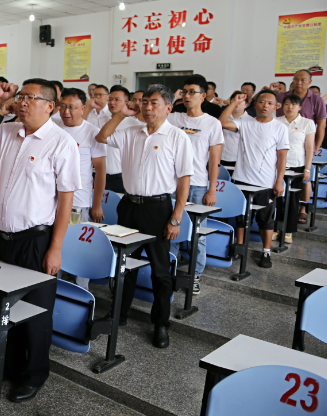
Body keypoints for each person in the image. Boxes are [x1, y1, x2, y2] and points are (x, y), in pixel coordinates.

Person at [0, 78, 79, 402]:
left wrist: (55, 248)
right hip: (1, 239)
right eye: (21, 96)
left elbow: (66, 201)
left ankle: (35, 374)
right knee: (4, 306)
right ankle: (8, 366)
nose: (22, 102)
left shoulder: (61, 142)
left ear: (50, 106)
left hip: (36, 241)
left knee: (36, 314)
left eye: (31, 97)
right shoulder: (5, 131)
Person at [95, 84, 194, 349]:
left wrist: (176, 218)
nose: (148, 107)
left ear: (168, 108)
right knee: (124, 265)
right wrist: (121, 114)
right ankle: (119, 314)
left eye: (154, 103)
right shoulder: (130, 132)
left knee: (160, 271)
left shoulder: (177, 137)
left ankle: (161, 323)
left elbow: (184, 180)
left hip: (158, 209)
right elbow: (102, 137)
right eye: (145, 102)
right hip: (129, 206)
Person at [166, 77, 224, 295]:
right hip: (171, 184)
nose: (187, 96)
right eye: (184, 92)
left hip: (198, 185)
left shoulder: (212, 123)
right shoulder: (173, 117)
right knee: (171, 230)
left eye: (192, 92)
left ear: (204, 96)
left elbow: (214, 160)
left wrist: (212, 189)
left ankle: (195, 275)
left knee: (197, 235)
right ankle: (169, 271)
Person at [219, 90, 288, 269]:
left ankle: (266, 251)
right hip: (242, 179)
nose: (265, 105)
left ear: (276, 107)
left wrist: (279, 181)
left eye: (270, 103)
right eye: (262, 102)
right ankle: (240, 246)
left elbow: (282, 157)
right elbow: (222, 123)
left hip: (265, 182)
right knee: (241, 217)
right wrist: (233, 103)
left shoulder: (279, 127)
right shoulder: (245, 123)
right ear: (255, 104)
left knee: (266, 219)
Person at [57, 88, 106, 291]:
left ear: (83, 108)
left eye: (72, 107)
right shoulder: (54, 127)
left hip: (79, 203)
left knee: (78, 251)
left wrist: (97, 204)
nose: (66, 112)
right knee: (56, 249)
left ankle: (81, 294)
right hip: (53, 202)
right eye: (62, 106)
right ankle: (54, 291)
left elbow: (100, 170)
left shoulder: (92, 132)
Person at [277, 94, 315, 238]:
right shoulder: (276, 121)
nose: (290, 107)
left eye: (293, 104)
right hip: (277, 164)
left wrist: (307, 168)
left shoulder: (307, 123)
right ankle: (275, 228)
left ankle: (289, 230)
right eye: (287, 104)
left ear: (299, 107)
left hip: (296, 165)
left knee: (293, 199)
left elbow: (309, 148)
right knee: (276, 197)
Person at [96, 86, 144, 194]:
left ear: (127, 103)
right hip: (100, 176)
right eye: (110, 99)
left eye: (117, 99)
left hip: (122, 178)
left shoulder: (135, 125)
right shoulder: (101, 120)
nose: (112, 102)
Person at [276, 70, 327, 151]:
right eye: (296, 79)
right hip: (279, 143)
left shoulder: (317, 100)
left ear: (309, 82)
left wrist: (316, 148)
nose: (299, 83)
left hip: (303, 146)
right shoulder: (280, 97)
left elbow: (321, 125)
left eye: (303, 80)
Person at [220, 91, 247, 167]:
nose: (237, 103)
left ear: (246, 104)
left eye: (240, 101)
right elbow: (220, 124)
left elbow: (222, 124)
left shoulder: (249, 120)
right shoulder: (223, 116)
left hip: (238, 159)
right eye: (235, 100)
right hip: (221, 157)